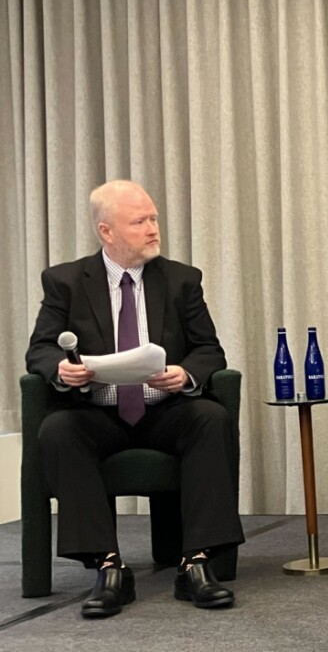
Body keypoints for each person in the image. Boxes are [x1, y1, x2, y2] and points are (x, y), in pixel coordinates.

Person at [26, 180, 242, 618]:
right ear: (107, 232)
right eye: (139, 221)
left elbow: (209, 350)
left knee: (210, 418)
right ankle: (108, 567)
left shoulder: (181, 279)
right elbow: (41, 349)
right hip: (97, 412)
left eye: (154, 218)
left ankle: (196, 562)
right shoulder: (65, 281)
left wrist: (186, 374)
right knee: (58, 429)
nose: (152, 229)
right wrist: (61, 371)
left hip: (164, 410)